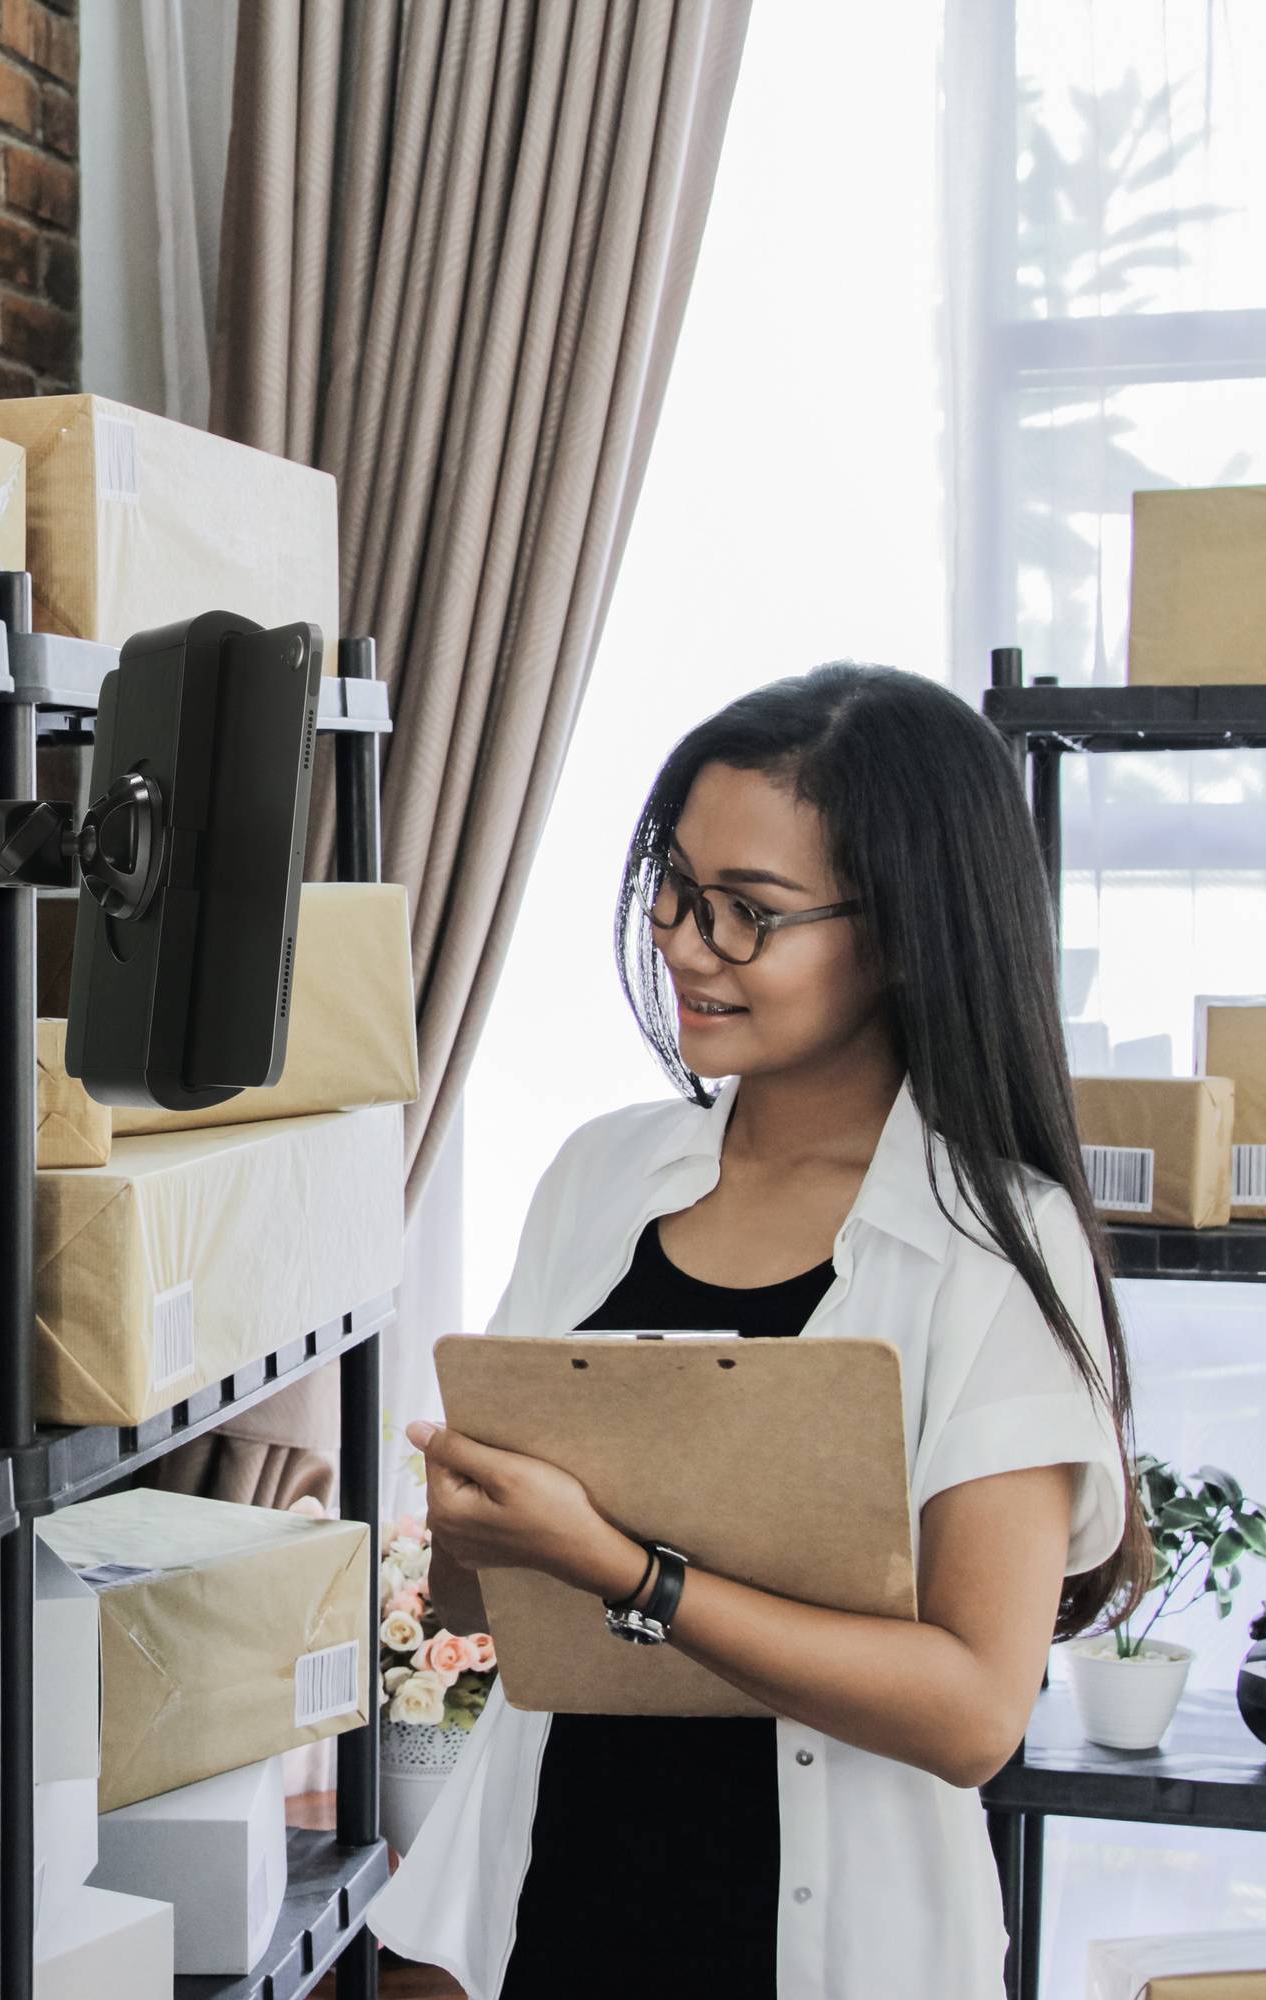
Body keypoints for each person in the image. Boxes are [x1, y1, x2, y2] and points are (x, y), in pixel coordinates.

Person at [368, 664, 1149, 1998]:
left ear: (905, 932)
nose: (683, 942)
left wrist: (630, 1572)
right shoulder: (601, 1176)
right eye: (672, 889)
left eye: (749, 914)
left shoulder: (994, 1248)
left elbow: (972, 1715)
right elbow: (480, 1597)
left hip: (822, 1945)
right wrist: (479, 1531)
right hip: (548, 1912)